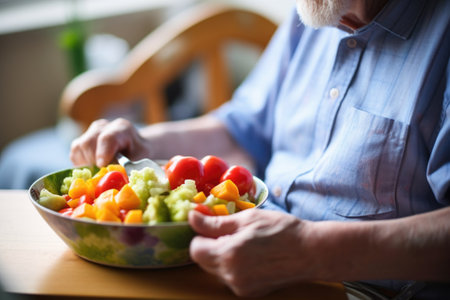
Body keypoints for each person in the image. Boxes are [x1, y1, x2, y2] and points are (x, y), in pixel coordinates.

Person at [70, 0, 450, 298]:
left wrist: (310, 251)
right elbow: (243, 129)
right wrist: (143, 141)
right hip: (251, 264)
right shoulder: (314, 11)